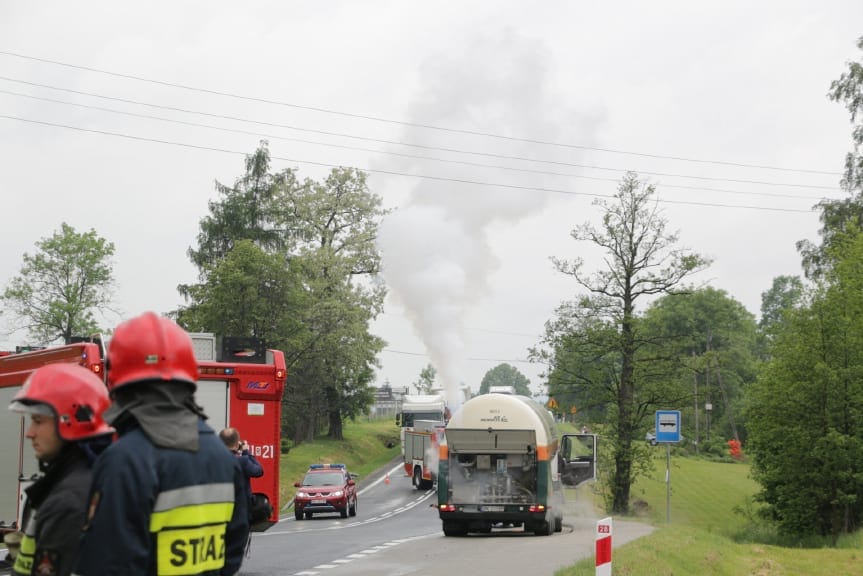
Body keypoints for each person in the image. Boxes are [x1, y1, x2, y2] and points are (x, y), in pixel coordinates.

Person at [73, 312, 249, 576]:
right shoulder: (222, 457)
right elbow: (233, 548)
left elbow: (109, 564)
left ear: (117, 380)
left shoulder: (125, 460)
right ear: (190, 377)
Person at [6, 363, 113, 576]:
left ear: (71, 421)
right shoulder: (80, 480)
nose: (30, 433)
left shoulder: (69, 500)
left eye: (38, 421)